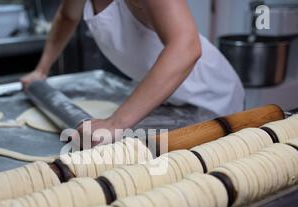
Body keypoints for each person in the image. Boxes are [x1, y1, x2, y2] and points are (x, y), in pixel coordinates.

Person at [21, 0, 244, 145]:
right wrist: (41, 70)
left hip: (211, 96)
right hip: (168, 99)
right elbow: (67, 17)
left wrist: (115, 124)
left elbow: (186, 47)